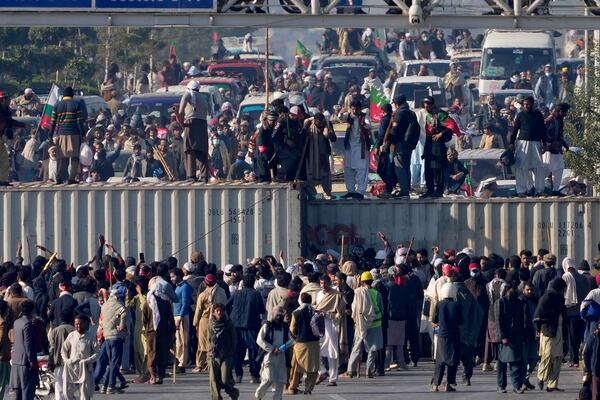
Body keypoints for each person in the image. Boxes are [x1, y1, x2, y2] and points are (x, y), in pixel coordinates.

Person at [342, 271, 382, 378]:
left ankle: (350, 370)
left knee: (356, 347)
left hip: (360, 324)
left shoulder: (357, 292)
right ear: (371, 281)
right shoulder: (377, 294)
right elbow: (382, 310)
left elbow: (354, 307)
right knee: (372, 349)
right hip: (375, 324)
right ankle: (369, 370)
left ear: (362, 282)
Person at [227, 274, 265, 384]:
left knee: (237, 351)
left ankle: (238, 374)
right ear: (253, 283)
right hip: (251, 326)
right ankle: (254, 374)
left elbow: (226, 304)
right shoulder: (256, 294)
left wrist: (231, 315)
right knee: (253, 351)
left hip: (236, 326)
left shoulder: (236, 294)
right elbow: (262, 310)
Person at [381, 95, 419, 198]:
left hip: (399, 145)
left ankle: (404, 190)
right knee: (406, 167)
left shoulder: (399, 113)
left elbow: (394, 130)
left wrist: (387, 143)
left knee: (400, 167)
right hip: (409, 145)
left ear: (397, 104)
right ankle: (406, 189)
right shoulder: (411, 113)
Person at [496, 279, 530, 394]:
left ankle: (516, 386)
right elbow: (498, 320)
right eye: (512, 288)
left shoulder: (520, 303)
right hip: (503, 338)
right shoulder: (501, 302)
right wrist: (503, 336)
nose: (514, 291)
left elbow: (524, 321)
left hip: (516, 337)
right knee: (502, 363)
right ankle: (501, 385)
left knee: (515, 362)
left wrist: (525, 336)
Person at [535, 277, 567, 392]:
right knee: (547, 355)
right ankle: (541, 376)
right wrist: (538, 329)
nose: (564, 291)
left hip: (559, 330)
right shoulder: (547, 297)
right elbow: (538, 314)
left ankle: (552, 384)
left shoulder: (560, 298)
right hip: (548, 330)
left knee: (557, 357)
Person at [254, 307, 294, 400]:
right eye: (277, 314)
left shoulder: (285, 327)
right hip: (269, 355)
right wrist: (272, 349)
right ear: (272, 314)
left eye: (281, 314)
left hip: (281, 355)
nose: (279, 316)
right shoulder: (267, 326)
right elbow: (259, 340)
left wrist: (282, 349)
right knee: (268, 378)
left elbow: (292, 340)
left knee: (280, 379)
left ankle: (277, 398)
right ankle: (258, 395)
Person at [510, 96, 546, 197]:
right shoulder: (520, 115)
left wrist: (545, 144)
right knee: (521, 167)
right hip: (522, 143)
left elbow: (543, 130)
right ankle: (521, 191)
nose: (526, 106)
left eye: (528, 104)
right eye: (525, 104)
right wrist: (511, 143)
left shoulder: (538, 115)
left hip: (536, 143)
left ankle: (539, 190)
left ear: (533, 104)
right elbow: (515, 130)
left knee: (538, 167)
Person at [143, 277, 176, 385]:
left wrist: (146, 329)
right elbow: (170, 319)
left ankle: (153, 377)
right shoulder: (166, 301)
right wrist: (173, 332)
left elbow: (144, 319)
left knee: (152, 353)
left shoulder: (148, 302)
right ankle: (160, 377)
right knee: (162, 354)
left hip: (151, 332)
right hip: (164, 332)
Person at [49, 87, 86, 184]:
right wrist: (83, 133)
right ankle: (71, 178)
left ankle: (59, 178)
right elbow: (79, 121)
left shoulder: (57, 105)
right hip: (74, 133)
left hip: (60, 134)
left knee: (62, 157)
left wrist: (50, 135)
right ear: (72, 95)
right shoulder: (76, 104)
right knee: (74, 157)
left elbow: (52, 122)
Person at [286, 293, 320, 395]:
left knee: (297, 366)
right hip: (314, 343)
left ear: (300, 301)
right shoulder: (315, 312)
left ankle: (292, 387)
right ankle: (308, 388)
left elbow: (292, 329)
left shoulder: (296, 313)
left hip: (300, 343)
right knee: (313, 367)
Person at [192, 273, 227, 373]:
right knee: (214, 342)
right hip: (219, 320)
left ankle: (200, 365)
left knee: (202, 344)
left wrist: (195, 323)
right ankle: (211, 363)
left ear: (205, 283)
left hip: (205, 320)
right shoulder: (222, 291)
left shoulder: (203, 295)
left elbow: (198, 311)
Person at [315, 274, 345, 387]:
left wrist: (327, 315)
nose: (323, 285)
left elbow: (339, 313)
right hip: (318, 324)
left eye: (325, 283)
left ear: (329, 283)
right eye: (321, 283)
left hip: (331, 324)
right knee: (316, 349)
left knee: (333, 352)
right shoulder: (318, 294)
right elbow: (317, 307)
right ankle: (322, 372)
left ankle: (332, 378)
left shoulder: (337, 294)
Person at [61, 314, 100, 400]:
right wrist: (66, 360)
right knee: (67, 393)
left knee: (85, 394)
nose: (78, 326)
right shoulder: (71, 335)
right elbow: (63, 350)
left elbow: (97, 352)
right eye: (76, 324)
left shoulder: (90, 336)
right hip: (72, 368)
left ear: (85, 323)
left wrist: (88, 360)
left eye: (80, 324)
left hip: (85, 368)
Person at [431, 282, 461, 392]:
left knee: (440, 361)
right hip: (454, 335)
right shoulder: (457, 305)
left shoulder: (439, 304)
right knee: (452, 361)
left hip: (442, 335)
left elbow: (434, 319)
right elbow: (461, 320)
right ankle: (448, 384)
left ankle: (435, 384)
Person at [420, 96, 453, 198]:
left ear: (432, 104)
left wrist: (441, 134)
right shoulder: (427, 116)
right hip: (429, 144)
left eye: (428, 104)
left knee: (438, 170)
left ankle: (438, 191)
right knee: (428, 170)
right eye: (425, 104)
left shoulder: (440, 114)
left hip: (438, 145)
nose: (426, 106)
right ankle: (429, 190)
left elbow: (450, 126)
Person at [179, 80, 209, 182]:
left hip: (191, 123)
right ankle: (204, 176)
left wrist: (180, 114)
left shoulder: (188, 94)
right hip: (203, 124)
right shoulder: (203, 99)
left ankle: (191, 176)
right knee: (202, 150)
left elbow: (181, 109)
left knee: (189, 149)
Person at [301, 113, 337, 199]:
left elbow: (334, 139)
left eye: (322, 121)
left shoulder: (327, 124)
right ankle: (311, 193)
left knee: (326, 175)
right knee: (310, 174)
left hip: (323, 155)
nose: (320, 123)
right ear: (314, 120)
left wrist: (328, 135)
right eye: (318, 121)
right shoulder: (309, 124)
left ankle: (327, 193)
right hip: (311, 154)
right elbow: (302, 134)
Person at [207, 303, 239, 400]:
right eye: (217, 311)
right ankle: (216, 397)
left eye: (221, 311)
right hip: (213, 355)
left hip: (226, 355)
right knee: (213, 380)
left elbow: (234, 339)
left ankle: (233, 393)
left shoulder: (229, 324)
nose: (219, 312)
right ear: (214, 312)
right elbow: (208, 339)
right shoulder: (210, 324)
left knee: (225, 380)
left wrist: (231, 352)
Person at [100, 286, 128, 394]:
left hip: (106, 336)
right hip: (116, 336)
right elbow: (124, 313)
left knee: (111, 362)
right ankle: (111, 386)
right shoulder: (119, 305)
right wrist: (121, 326)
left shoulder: (104, 305)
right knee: (115, 362)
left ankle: (105, 385)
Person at [341, 100, 371, 199]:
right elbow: (340, 117)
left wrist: (362, 122)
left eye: (355, 109)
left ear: (359, 109)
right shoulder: (349, 116)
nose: (354, 111)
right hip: (349, 147)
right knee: (348, 169)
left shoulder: (364, 116)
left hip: (361, 148)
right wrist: (341, 111)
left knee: (362, 170)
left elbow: (368, 125)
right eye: (352, 109)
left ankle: (360, 191)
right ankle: (350, 190)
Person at [9, 300, 38, 400]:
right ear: (32, 310)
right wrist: (32, 361)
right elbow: (28, 345)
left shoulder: (17, 322)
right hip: (26, 363)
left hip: (16, 361)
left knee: (18, 394)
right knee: (27, 393)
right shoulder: (28, 324)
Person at [543, 103, 570, 196]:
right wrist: (550, 143)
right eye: (565, 112)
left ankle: (555, 189)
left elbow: (559, 135)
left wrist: (565, 144)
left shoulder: (560, 119)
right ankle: (539, 189)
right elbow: (544, 133)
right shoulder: (550, 119)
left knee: (560, 167)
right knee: (546, 169)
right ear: (560, 111)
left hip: (557, 149)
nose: (566, 114)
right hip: (549, 150)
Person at [386, 265, 409, 371]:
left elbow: (388, 302)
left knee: (389, 343)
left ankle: (387, 364)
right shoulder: (404, 286)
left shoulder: (389, 286)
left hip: (391, 317)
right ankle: (401, 363)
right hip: (402, 316)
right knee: (400, 343)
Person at [48, 309, 75, 400]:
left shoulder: (54, 331)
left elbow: (51, 348)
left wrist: (50, 362)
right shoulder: (73, 329)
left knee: (59, 384)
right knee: (70, 385)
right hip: (71, 362)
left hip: (58, 361)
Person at [0, 91, 25, 185]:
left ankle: (3, 180)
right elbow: (5, 122)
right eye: (8, 99)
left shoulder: (6, 110)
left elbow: (9, 121)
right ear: (3, 100)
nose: (10, 101)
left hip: (1, 138)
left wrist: (23, 125)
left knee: (4, 161)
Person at [171, 268, 192, 374]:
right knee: (178, 341)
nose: (172, 279)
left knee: (183, 340)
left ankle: (182, 363)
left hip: (182, 316)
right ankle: (179, 360)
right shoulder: (177, 287)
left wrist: (180, 317)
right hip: (176, 315)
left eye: (173, 276)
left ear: (179, 276)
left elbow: (185, 303)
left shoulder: (185, 287)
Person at [254, 111, 278, 183]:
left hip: (272, 158)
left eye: (274, 121)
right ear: (268, 120)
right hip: (262, 158)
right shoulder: (262, 130)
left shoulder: (274, 129)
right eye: (271, 120)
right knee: (263, 178)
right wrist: (268, 158)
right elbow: (261, 147)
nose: (272, 122)